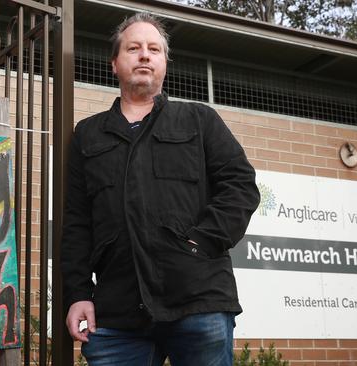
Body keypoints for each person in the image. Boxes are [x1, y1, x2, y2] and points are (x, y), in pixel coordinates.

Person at [61, 12, 260, 366]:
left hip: (198, 302)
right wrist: (77, 293)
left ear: (164, 63)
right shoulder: (87, 135)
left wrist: (203, 241)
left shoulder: (199, 120)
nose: (144, 55)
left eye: (154, 49)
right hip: (117, 314)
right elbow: (76, 221)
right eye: (133, 48)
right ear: (114, 63)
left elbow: (240, 185)